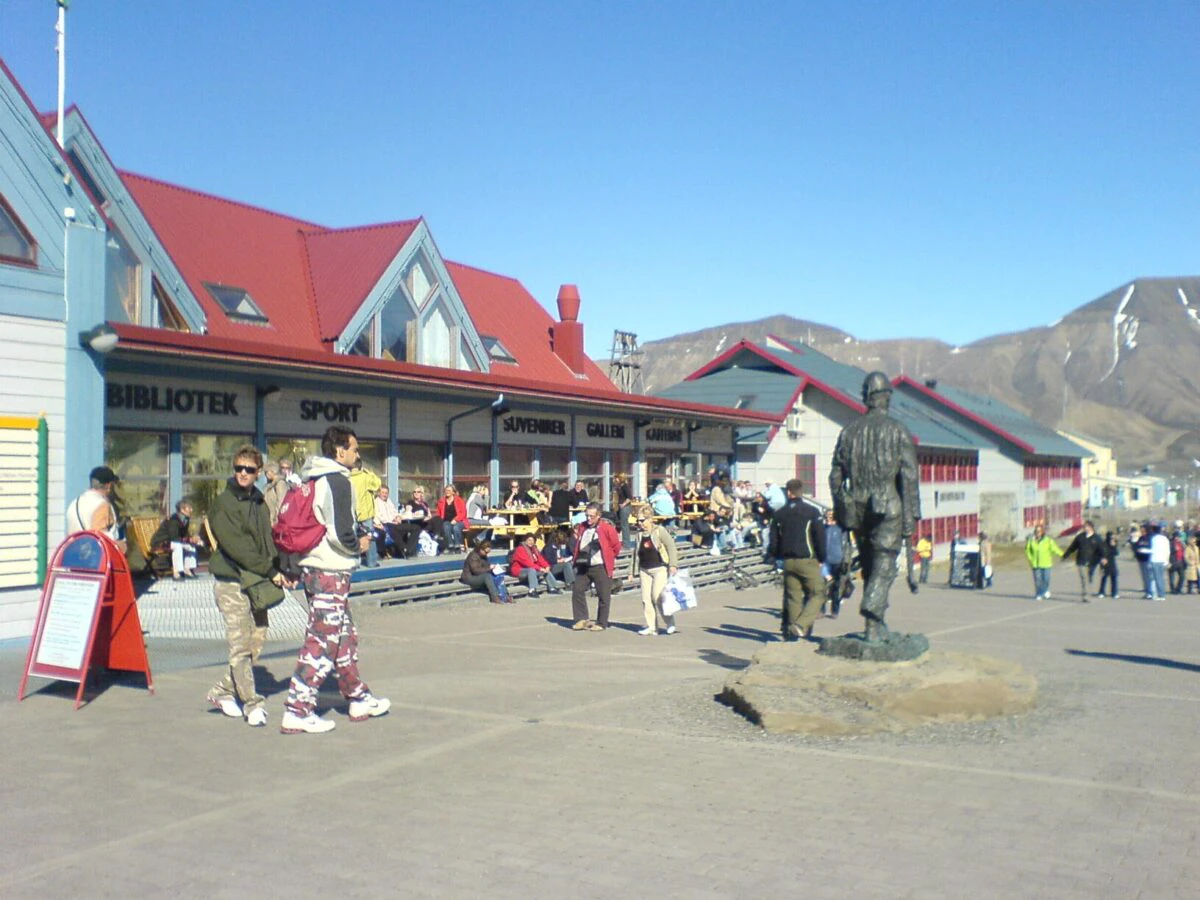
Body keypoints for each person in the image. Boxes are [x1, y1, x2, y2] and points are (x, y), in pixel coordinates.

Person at [281, 426, 389, 735]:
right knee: (321, 641)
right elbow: (342, 533)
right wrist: (359, 545)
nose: (357, 455)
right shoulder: (338, 482)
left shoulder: (310, 479)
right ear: (339, 452)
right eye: (354, 449)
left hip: (313, 568)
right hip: (331, 570)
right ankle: (297, 709)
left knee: (344, 636)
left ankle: (357, 697)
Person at [828, 372, 921, 643]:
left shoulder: (849, 432)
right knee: (884, 563)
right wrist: (911, 514)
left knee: (870, 563)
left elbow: (835, 474)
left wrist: (842, 503)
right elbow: (909, 476)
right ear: (884, 397)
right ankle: (872, 604)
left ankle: (873, 627)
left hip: (857, 505)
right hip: (887, 504)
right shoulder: (897, 429)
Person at [206, 445, 283, 728]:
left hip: (255, 581)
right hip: (231, 581)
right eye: (239, 468)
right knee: (239, 646)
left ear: (258, 473)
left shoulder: (260, 502)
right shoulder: (224, 503)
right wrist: (269, 570)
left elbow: (266, 542)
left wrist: (280, 567)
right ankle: (252, 703)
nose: (242, 474)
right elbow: (236, 546)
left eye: (249, 469)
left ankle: (223, 690)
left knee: (257, 638)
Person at [768, 479, 827, 641]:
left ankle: (793, 634)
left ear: (788, 493)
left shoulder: (779, 514)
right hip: (807, 559)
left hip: (787, 560)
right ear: (801, 492)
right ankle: (801, 625)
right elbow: (820, 537)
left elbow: (773, 540)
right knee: (819, 593)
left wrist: (775, 556)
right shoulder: (812, 512)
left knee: (793, 597)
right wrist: (822, 557)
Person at [570, 502, 621, 631]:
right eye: (587, 515)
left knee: (603, 595)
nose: (588, 519)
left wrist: (609, 558)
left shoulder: (606, 528)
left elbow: (616, 546)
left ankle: (601, 622)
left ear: (599, 515)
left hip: (600, 565)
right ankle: (581, 619)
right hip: (584, 564)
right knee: (577, 589)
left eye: (591, 516)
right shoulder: (582, 527)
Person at [629, 508, 680, 636]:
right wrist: (631, 571)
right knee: (646, 599)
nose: (640, 523)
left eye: (642, 520)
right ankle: (652, 627)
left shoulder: (659, 531)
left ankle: (670, 622)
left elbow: (671, 546)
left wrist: (673, 565)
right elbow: (635, 553)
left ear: (650, 519)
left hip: (659, 568)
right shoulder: (639, 534)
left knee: (657, 596)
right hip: (644, 569)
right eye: (638, 520)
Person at [66, 465, 124, 550]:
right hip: (95, 558)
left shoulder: (74, 503)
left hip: (74, 555)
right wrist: (119, 543)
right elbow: (99, 535)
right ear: (109, 486)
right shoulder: (102, 505)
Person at [150, 499, 200, 579]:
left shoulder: (186, 519)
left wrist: (191, 539)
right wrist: (188, 539)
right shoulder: (173, 520)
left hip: (172, 541)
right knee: (178, 546)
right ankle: (177, 572)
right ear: (182, 510)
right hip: (161, 542)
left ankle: (187, 569)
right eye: (189, 508)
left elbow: (184, 535)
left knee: (191, 545)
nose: (191, 510)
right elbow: (174, 537)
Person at [1062, 520, 1102, 603]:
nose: (1085, 528)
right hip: (1081, 560)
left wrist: (1104, 558)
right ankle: (1086, 595)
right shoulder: (1080, 537)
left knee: (1090, 577)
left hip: (1093, 561)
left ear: (1091, 527)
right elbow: (1073, 547)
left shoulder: (1097, 538)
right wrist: (1066, 555)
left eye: (1086, 526)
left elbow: (1102, 549)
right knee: (1084, 578)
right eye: (1084, 527)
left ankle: (1089, 592)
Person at [460, 538, 508, 603]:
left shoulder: (483, 556)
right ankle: (495, 597)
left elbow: (486, 566)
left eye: (488, 552)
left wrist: (496, 568)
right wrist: (489, 568)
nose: (487, 554)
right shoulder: (473, 556)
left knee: (498, 576)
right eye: (486, 552)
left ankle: (505, 595)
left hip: (479, 575)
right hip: (469, 577)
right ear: (481, 549)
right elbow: (476, 571)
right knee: (487, 576)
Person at [1025, 523, 1063, 600]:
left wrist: (1063, 555)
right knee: (1038, 580)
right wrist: (1030, 559)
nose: (1038, 533)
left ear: (1042, 532)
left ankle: (1045, 590)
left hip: (1046, 563)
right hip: (1035, 563)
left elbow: (1055, 549)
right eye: (1036, 531)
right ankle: (1039, 593)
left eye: (1039, 531)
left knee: (1046, 579)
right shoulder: (1031, 540)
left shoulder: (1048, 540)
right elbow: (1027, 550)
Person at [822, 507, 847, 618]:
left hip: (837, 559)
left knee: (836, 586)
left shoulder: (840, 528)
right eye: (828, 515)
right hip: (824, 560)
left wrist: (845, 559)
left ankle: (835, 611)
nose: (829, 517)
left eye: (831, 515)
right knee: (822, 586)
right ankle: (821, 610)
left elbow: (845, 544)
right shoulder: (823, 528)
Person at [437, 485, 467, 552]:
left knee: (456, 527)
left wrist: (456, 519)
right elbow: (438, 513)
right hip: (447, 521)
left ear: (453, 492)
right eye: (446, 490)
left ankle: (457, 545)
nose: (447, 492)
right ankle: (450, 545)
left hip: (460, 521)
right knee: (446, 526)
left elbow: (463, 513)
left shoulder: (459, 500)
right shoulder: (441, 501)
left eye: (449, 490)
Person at [373, 485, 400, 558]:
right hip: (384, 524)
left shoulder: (389, 501)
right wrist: (391, 521)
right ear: (379, 493)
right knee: (397, 529)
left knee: (409, 527)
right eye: (383, 492)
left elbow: (394, 511)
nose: (385, 495)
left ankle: (401, 551)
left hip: (392, 523)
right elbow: (378, 516)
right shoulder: (376, 502)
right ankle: (384, 552)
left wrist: (397, 517)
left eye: (386, 493)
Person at [261, 461, 290, 526]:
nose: (266, 474)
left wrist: (276, 520)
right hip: (269, 520)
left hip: (276, 522)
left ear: (272, 471)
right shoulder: (270, 485)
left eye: (267, 472)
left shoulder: (280, 483)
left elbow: (281, 503)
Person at [1148, 523, 1169, 601]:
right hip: (1163, 560)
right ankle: (1162, 594)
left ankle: (1159, 594)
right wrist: (1166, 560)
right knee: (1161, 578)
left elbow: (1153, 550)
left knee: (1156, 578)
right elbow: (1167, 550)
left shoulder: (1154, 539)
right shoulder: (1165, 538)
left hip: (1155, 559)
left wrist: (1145, 551)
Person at [1097, 530, 1120, 599]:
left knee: (1114, 577)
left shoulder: (1114, 543)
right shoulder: (1103, 544)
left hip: (1112, 562)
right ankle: (1101, 592)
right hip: (1105, 563)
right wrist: (1101, 559)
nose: (1112, 538)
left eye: (1113, 537)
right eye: (1111, 537)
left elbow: (1116, 553)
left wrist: (1114, 546)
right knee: (1104, 577)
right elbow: (1099, 553)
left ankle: (1114, 593)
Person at [612, 472, 634, 545]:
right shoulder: (619, 486)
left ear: (620, 479)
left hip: (625, 508)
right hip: (620, 507)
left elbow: (630, 497)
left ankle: (626, 543)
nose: (615, 479)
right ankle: (622, 541)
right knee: (621, 524)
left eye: (616, 478)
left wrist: (623, 504)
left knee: (624, 525)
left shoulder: (625, 486)